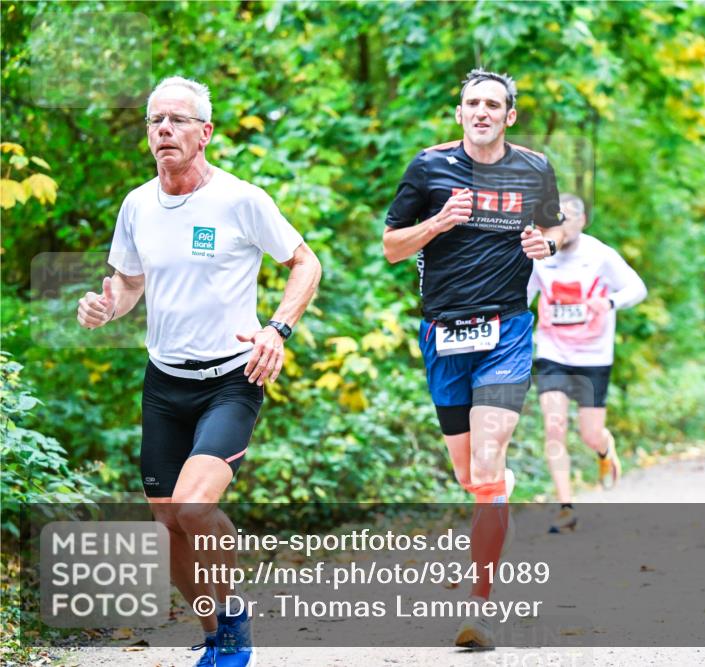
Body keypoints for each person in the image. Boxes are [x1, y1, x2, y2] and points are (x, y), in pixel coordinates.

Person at [76, 76, 322, 667]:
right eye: (155, 120)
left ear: (204, 133)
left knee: (193, 508)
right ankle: (216, 637)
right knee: (168, 525)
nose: (164, 129)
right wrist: (108, 304)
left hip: (231, 380)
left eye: (178, 120)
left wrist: (277, 329)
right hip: (164, 383)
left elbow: (305, 262)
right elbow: (131, 282)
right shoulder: (136, 204)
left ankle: (235, 620)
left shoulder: (241, 200)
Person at [382, 68, 563, 648]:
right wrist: (439, 222)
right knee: (470, 476)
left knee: (486, 466)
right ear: (459, 112)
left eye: (493, 104)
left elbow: (556, 234)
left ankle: (478, 607)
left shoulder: (535, 169)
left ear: (510, 116)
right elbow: (391, 247)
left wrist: (547, 244)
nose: (481, 111)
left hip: (507, 331)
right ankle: (495, 490)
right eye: (471, 103)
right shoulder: (429, 167)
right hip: (443, 336)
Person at [527, 193, 646, 533]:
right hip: (553, 352)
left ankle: (605, 449)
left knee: (590, 433)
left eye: (565, 218)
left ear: (581, 221)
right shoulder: (540, 257)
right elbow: (523, 297)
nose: (559, 226)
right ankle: (565, 508)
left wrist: (609, 302)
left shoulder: (599, 255)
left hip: (594, 355)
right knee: (554, 427)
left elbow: (636, 288)